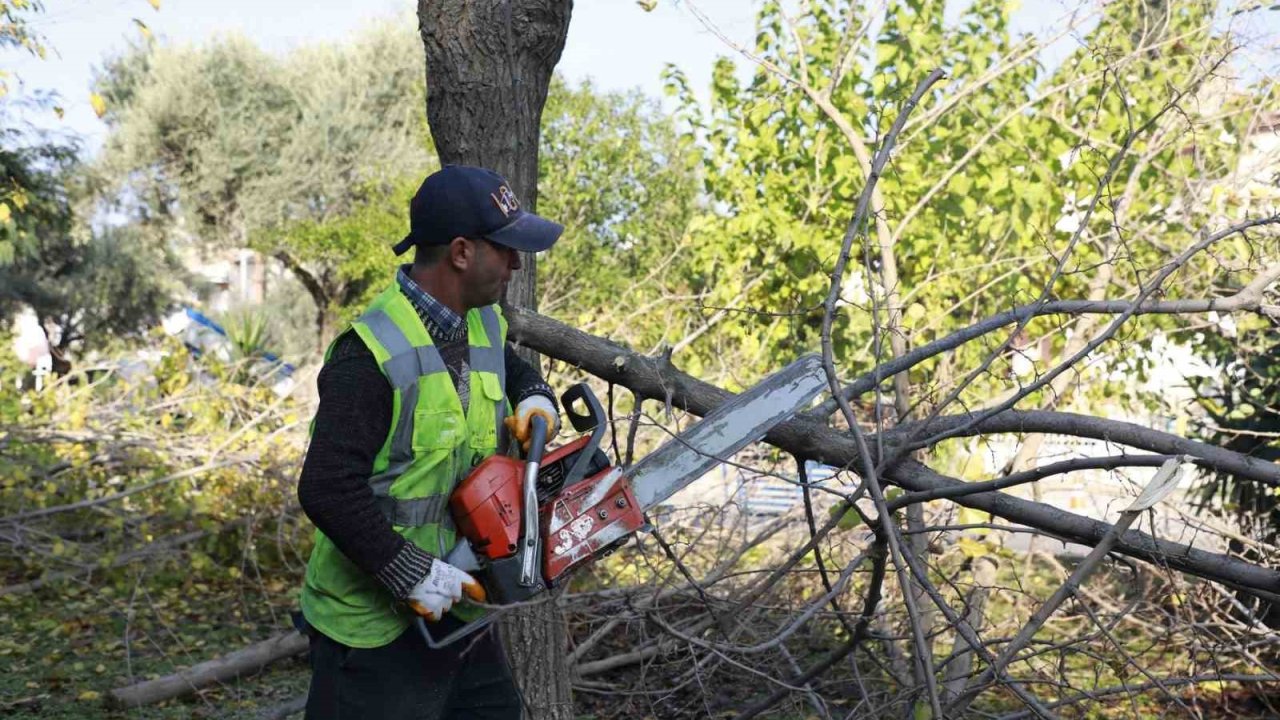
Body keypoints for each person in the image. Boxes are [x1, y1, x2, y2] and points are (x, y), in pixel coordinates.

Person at [297, 165, 563, 719]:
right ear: (462, 252)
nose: (517, 263)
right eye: (506, 249)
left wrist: (535, 395)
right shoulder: (369, 354)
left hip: (458, 611)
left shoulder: (480, 322)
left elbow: (510, 369)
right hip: (370, 629)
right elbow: (325, 487)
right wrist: (408, 569)